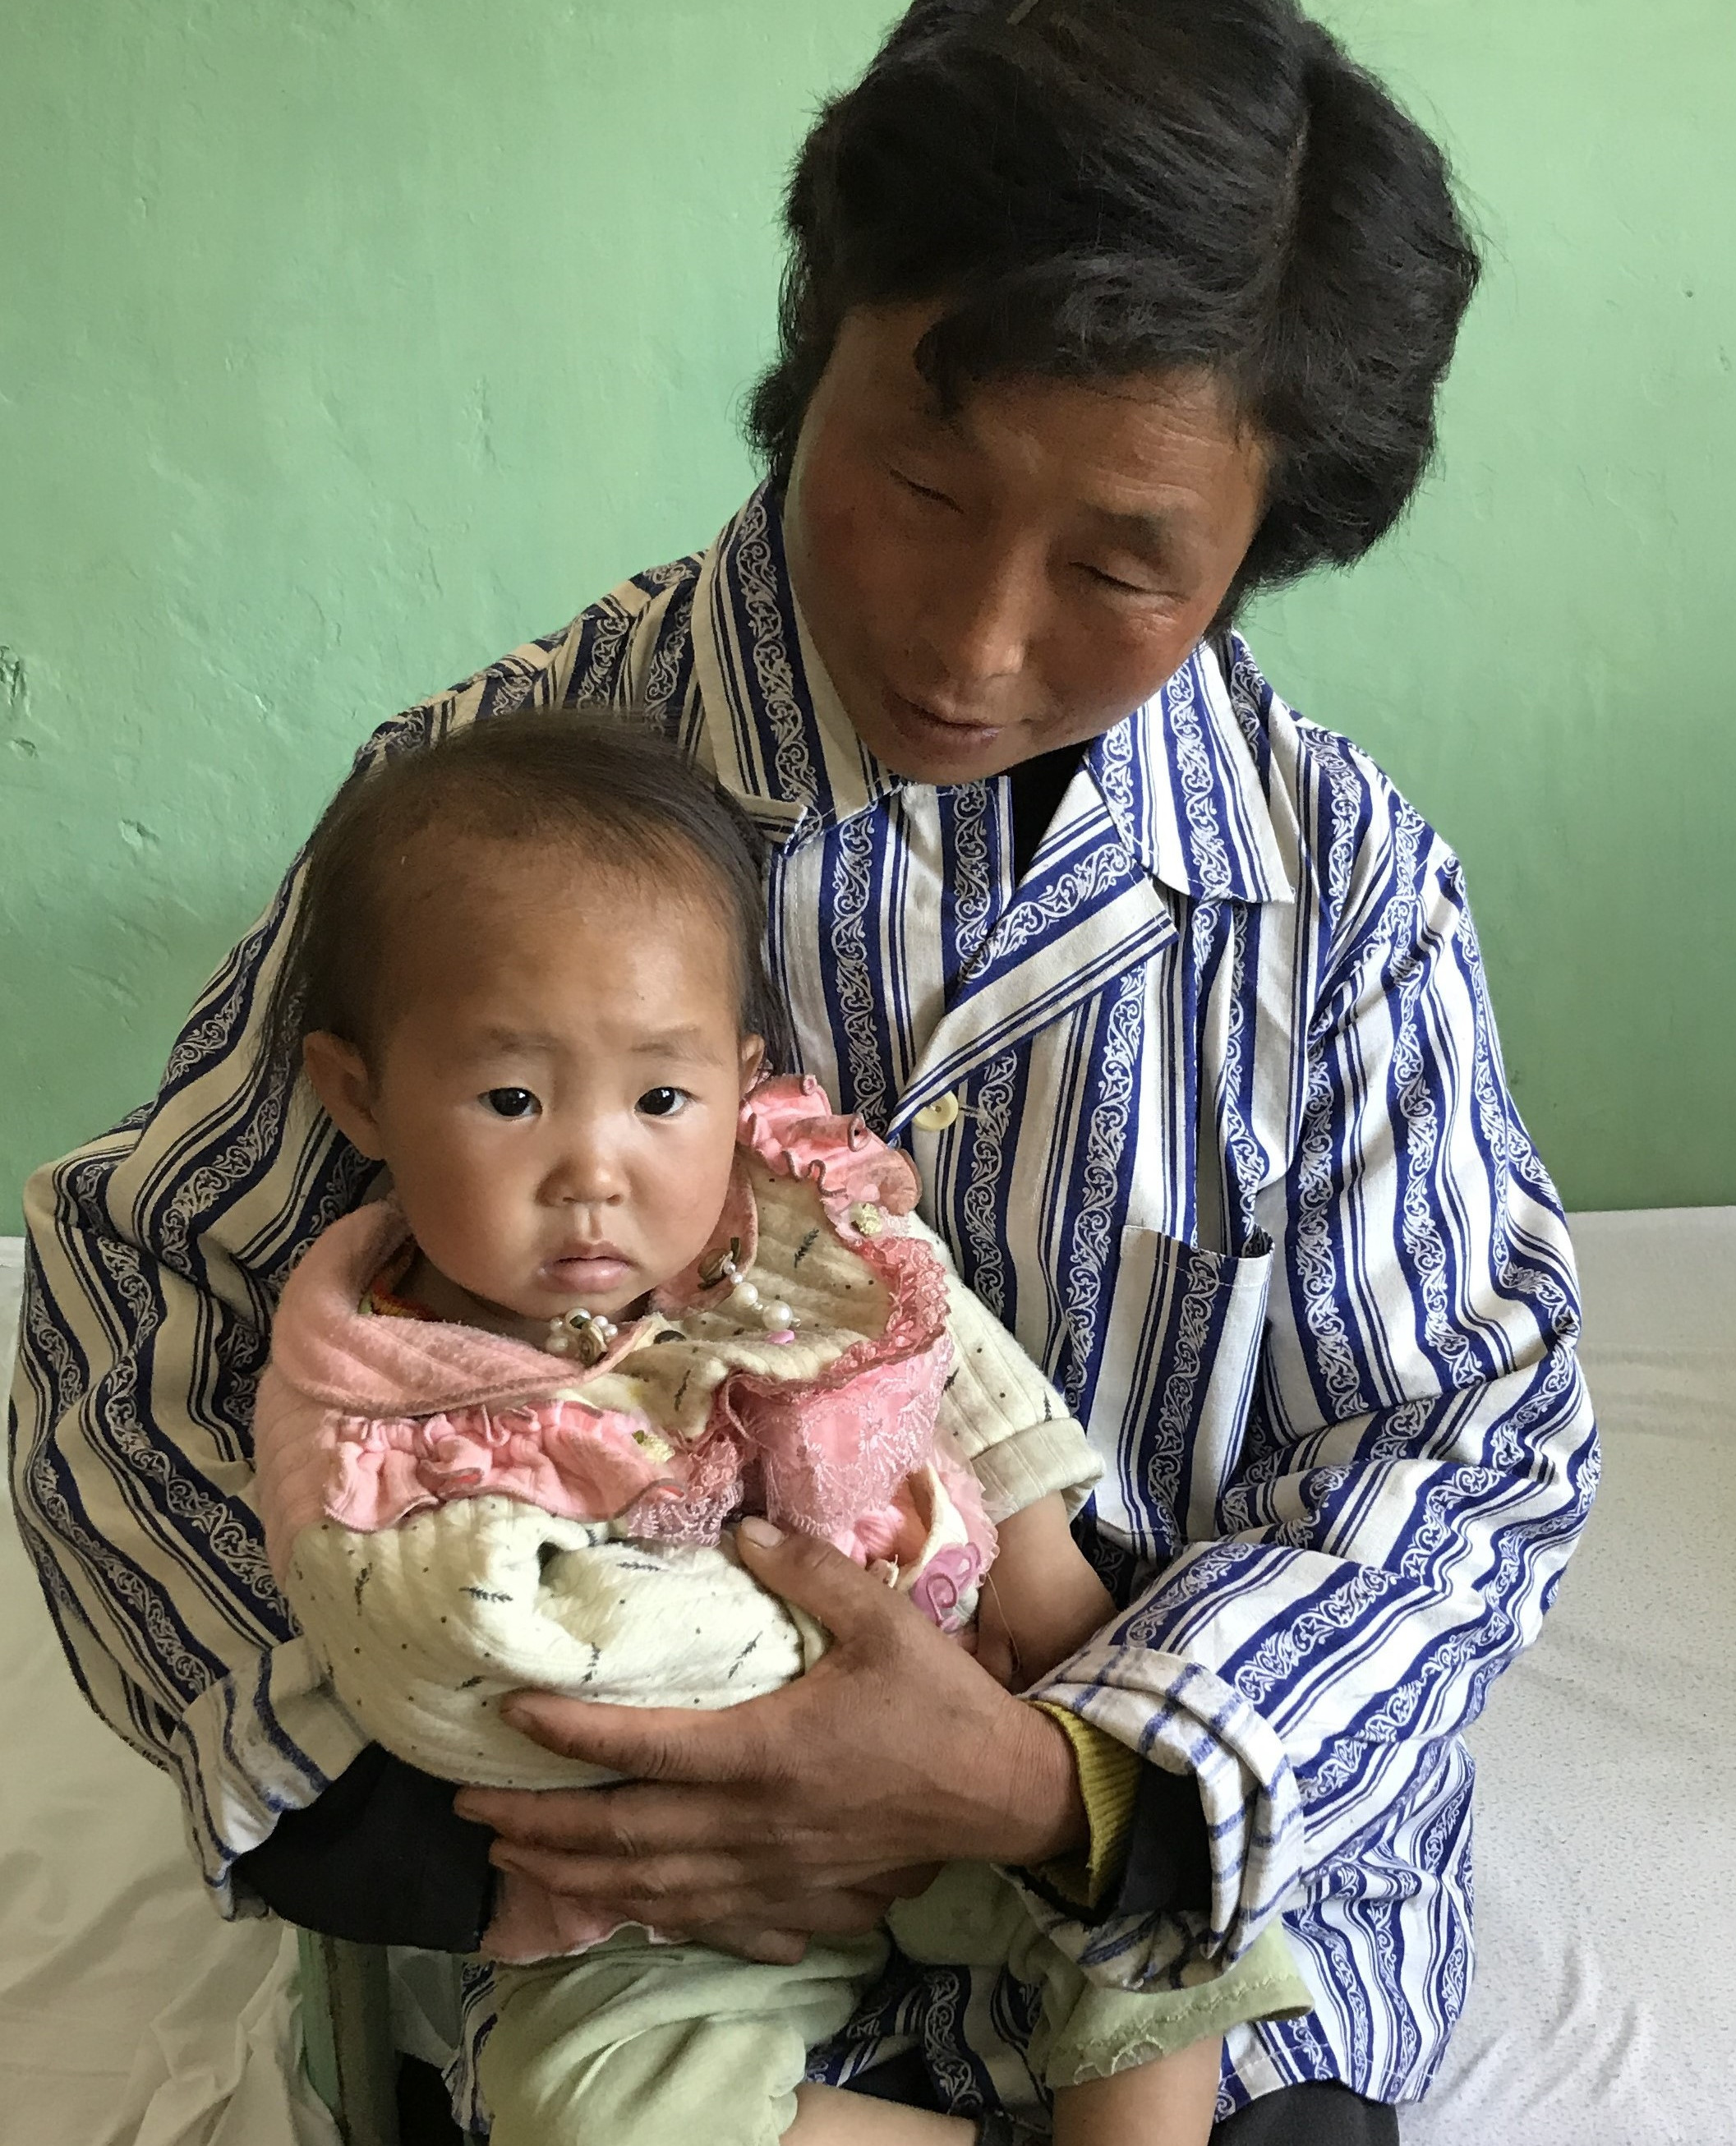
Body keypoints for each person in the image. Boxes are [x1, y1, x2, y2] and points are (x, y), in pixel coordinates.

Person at [9, 2, 1597, 2139]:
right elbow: (134, 1298)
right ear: (818, 345)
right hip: (627, 1884)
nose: (967, 639)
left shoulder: (1343, 905)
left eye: (1120, 564)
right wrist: (443, 1784)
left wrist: (1071, 1772)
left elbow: (1464, 1440)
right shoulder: (490, 816)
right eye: (915, 483)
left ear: (1255, 545)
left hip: (1139, 1872)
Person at [247, 708, 1314, 2145]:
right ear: (358, 1093)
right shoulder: (393, 1422)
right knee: (581, 2111)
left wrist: (1040, 1551)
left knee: (1178, 1892)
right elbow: (504, 1661)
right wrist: (819, 1701)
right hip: (673, 1873)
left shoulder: (771, 1213)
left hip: (973, 1722)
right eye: (511, 1099)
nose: (594, 1171)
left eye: (661, 1096)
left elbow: (940, 1339)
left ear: (741, 1081)